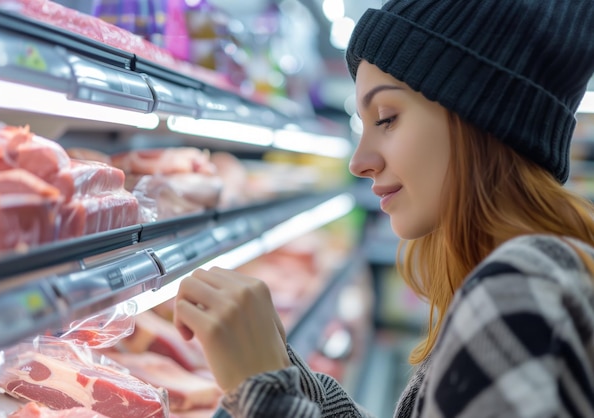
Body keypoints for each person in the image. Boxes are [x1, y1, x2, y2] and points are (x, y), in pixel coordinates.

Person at [174, 0, 594, 416]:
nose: (359, 162)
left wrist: (263, 391)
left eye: (387, 117)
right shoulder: (532, 276)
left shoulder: (519, 287)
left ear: (480, 116)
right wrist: (286, 375)